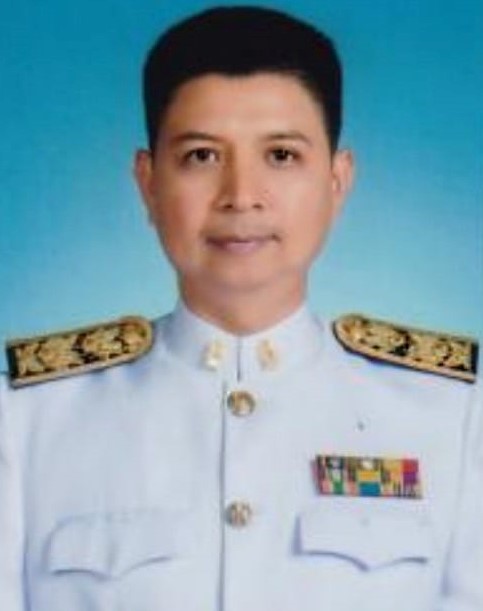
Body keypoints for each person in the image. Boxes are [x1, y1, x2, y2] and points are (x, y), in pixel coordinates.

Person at [0, 6, 481, 610]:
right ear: (148, 183)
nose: (241, 196)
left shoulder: (453, 416)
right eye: (201, 156)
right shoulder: (28, 420)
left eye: (281, 155)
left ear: (337, 181)